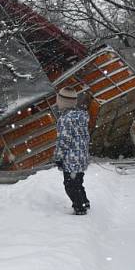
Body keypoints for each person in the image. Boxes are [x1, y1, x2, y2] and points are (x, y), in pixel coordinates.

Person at [53, 87, 91, 215]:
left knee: (70, 185)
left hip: (71, 159)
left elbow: (63, 141)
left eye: (58, 100)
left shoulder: (65, 119)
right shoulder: (82, 117)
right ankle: (85, 201)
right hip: (81, 157)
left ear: (63, 102)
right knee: (78, 183)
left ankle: (79, 207)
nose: (57, 103)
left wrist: (58, 157)